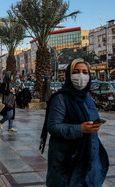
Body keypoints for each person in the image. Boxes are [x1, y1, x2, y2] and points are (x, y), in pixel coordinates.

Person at [39, 58, 109, 187]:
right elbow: (53, 127)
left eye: (84, 72)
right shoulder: (60, 99)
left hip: (89, 162)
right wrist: (80, 129)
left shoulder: (87, 98)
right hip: (67, 163)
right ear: (68, 75)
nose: (81, 75)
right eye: (76, 72)